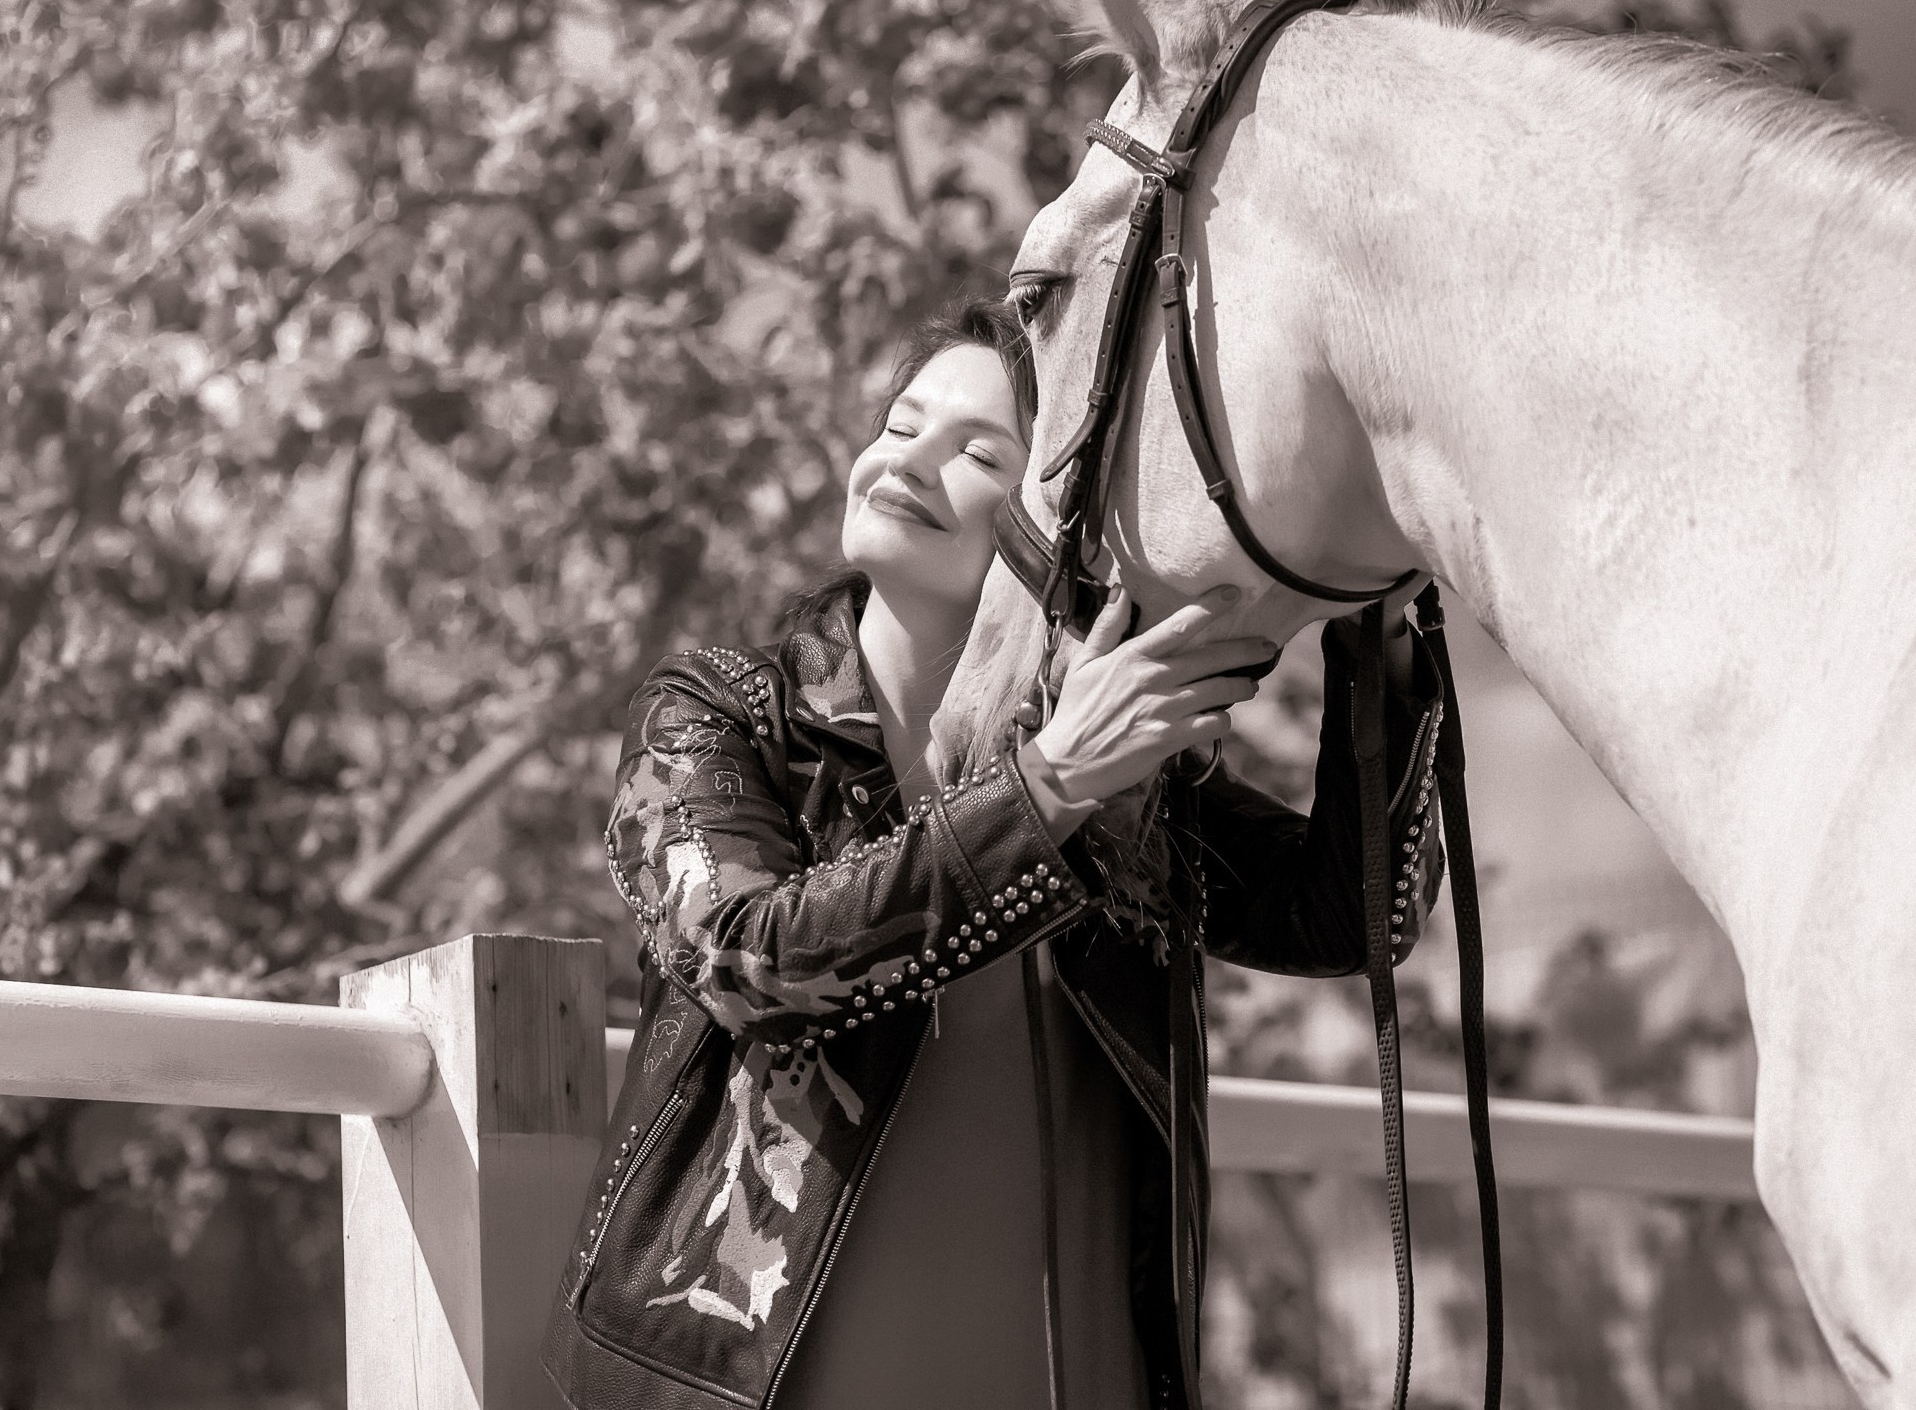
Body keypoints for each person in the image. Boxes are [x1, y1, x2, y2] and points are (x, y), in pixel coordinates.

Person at [544, 298, 1448, 1410]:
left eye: (976, 451)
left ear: (1056, 521)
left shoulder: (1129, 779)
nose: (905, 457)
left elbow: (1355, 917)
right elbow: (747, 961)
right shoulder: (719, 712)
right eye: (900, 422)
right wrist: (1052, 785)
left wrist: (1386, 646)